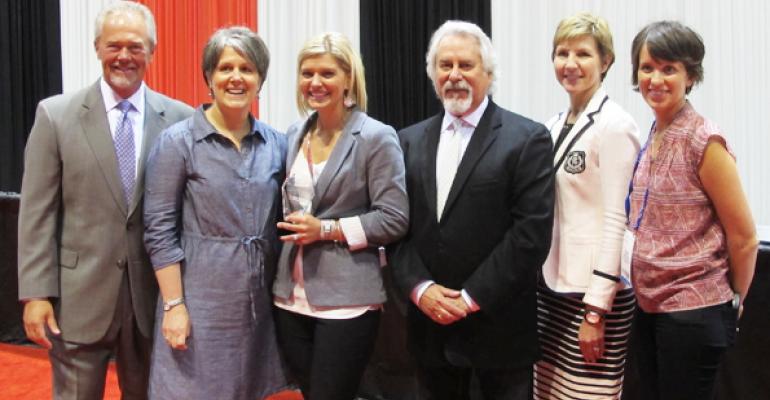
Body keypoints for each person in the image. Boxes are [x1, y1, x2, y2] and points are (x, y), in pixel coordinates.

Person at [16, 2, 192, 399]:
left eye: (135, 46)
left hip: (152, 301)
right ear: (97, 47)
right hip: (77, 301)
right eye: (114, 46)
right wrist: (36, 295)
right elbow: (37, 215)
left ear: (152, 51)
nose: (124, 56)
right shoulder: (55, 116)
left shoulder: (181, 120)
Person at [392, 20, 555, 399]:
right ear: (432, 75)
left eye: (465, 65)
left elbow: (530, 235)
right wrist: (421, 289)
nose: (454, 75)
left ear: (488, 73)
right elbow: (397, 229)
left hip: (499, 330)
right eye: (444, 66)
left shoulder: (527, 138)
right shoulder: (406, 141)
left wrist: (469, 298)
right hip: (429, 331)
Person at [143, 27, 286, 399]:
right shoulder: (178, 142)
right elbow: (159, 231)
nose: (236, 77)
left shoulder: (277, 144)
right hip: (199, 301)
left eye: (247, 68)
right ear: (209, 77)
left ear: (261, 79)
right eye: (225, 68)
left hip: (256, 305)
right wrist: (175, 306)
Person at [271, 32, 409, 400]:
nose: (315, 83)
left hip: (348, 301)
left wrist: (327, 230)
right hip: (289, 296)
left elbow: (394, 218)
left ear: (348, 78)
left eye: (327, 73)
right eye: (307, 73)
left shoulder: (377, 137)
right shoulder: (292, 135)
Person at [626, 21, 758, 400]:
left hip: (695, 309)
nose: (656, 78)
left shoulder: (704, 138)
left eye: (669, 69)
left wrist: (735, 299)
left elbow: (745, 237)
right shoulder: (654, 132)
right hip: (649, 304)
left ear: (691, 76)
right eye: (647, 67)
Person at [534, 13, 640, 399]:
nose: (570, 64)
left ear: (606, 61)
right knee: (547, 392)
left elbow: (617, 219)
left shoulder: (616, 125)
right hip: (552, 286)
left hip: (595, 296)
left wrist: (596, 309)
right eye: (562, 53)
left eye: (583, 54)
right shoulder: (550, 124)